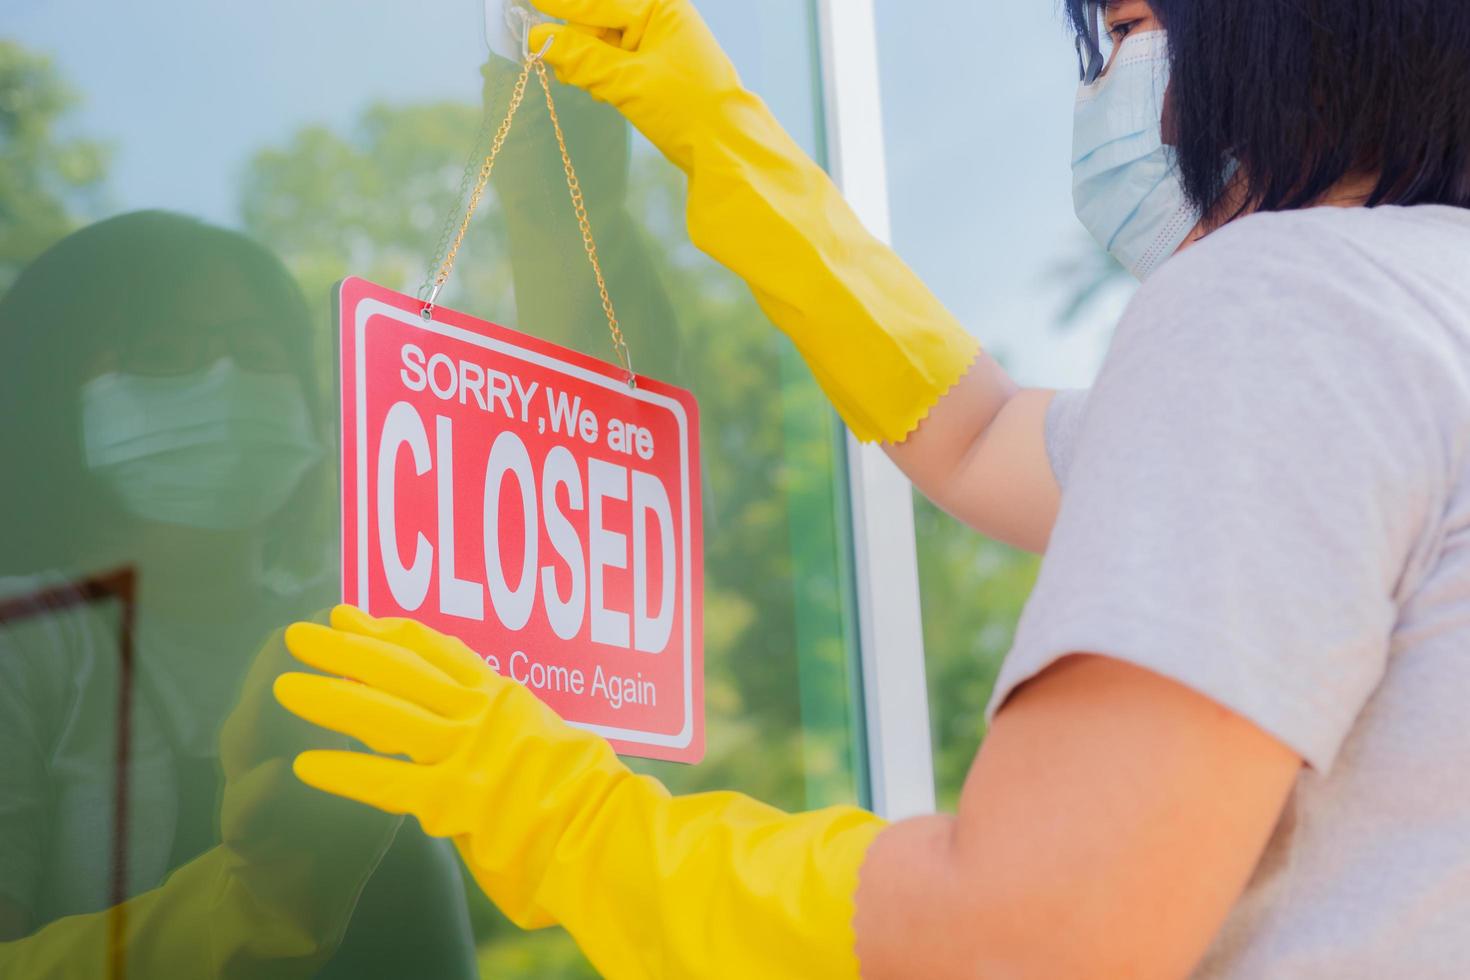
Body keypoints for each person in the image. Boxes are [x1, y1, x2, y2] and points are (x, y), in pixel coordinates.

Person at [272, 0, 1470, 977]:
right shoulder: (1417, 315)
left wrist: (577, 825)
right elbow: (983, 434)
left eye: (1133, 25)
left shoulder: (1289, 308)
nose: (1108, 83)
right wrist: (718, 128)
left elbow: (1032, 929)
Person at [0, 211, 478, 977]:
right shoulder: (24, 638)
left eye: (258, 352)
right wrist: (253, 911)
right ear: (54, 401)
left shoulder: (361, 623)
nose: (226, 378)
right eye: (166, 351)